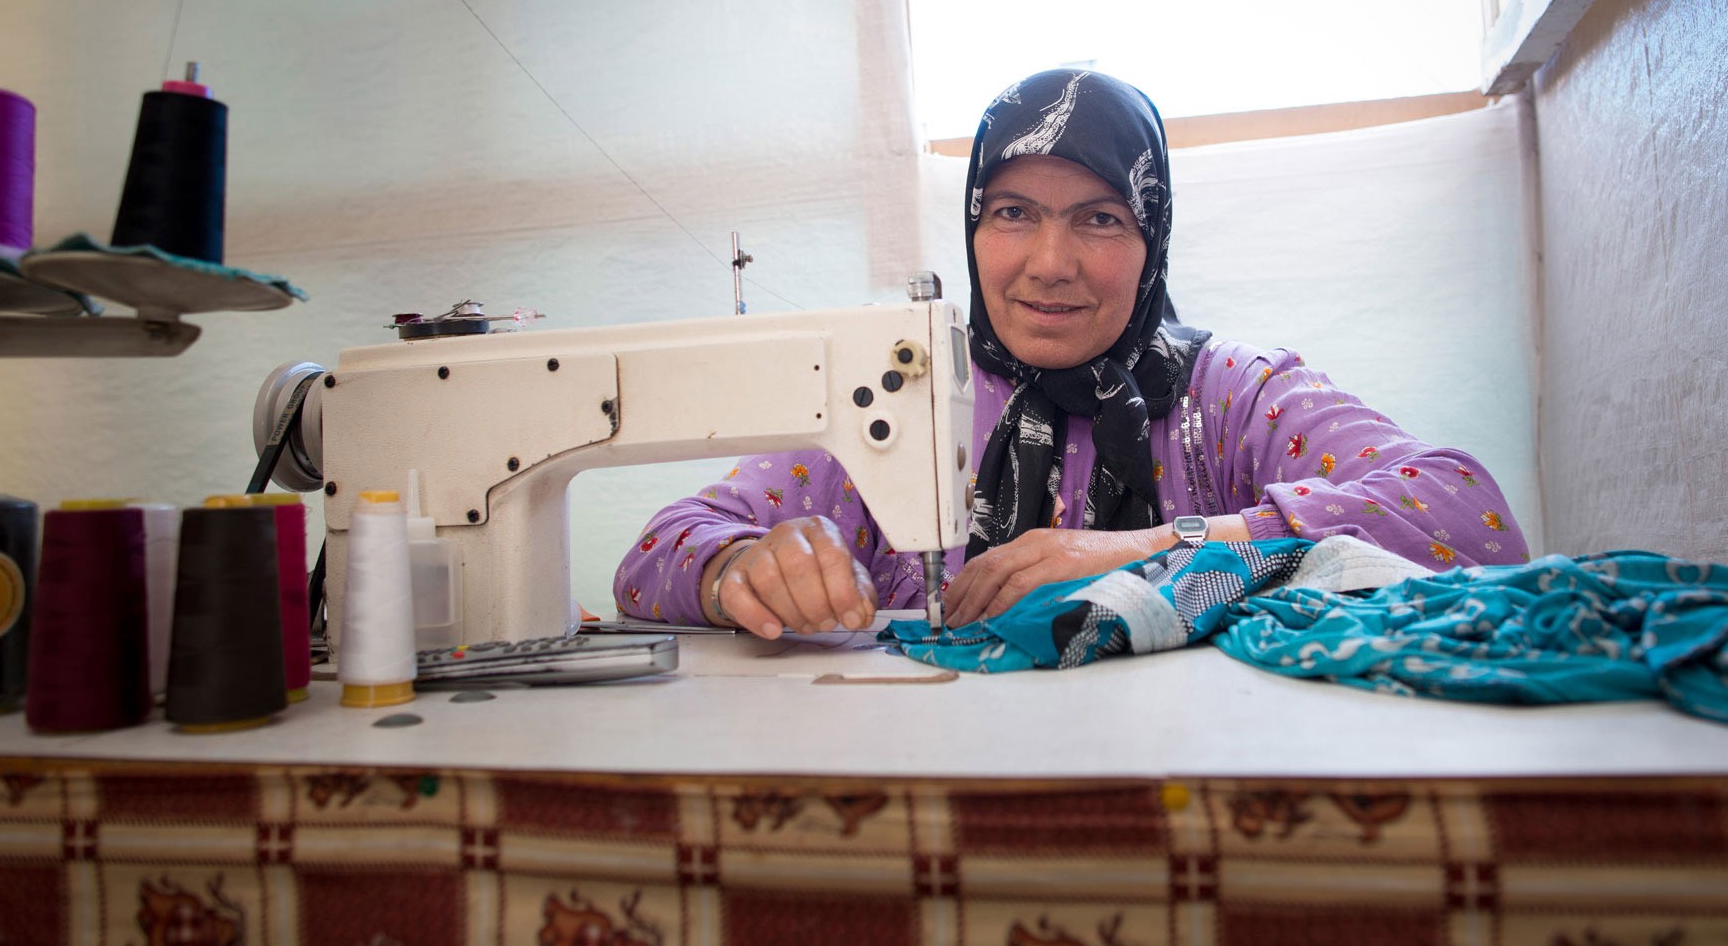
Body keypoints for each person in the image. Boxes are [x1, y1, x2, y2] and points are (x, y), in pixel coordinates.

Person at [615, 69, 1528, 638]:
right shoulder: (897, 401)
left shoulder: (1232, 397)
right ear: (974, 226)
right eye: (1013, 213)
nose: (1050, 265)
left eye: (1099, 218)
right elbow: (656, 551)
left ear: (1153, 241)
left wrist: (1158, 545)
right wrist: (743, 567)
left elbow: (1470, 518)